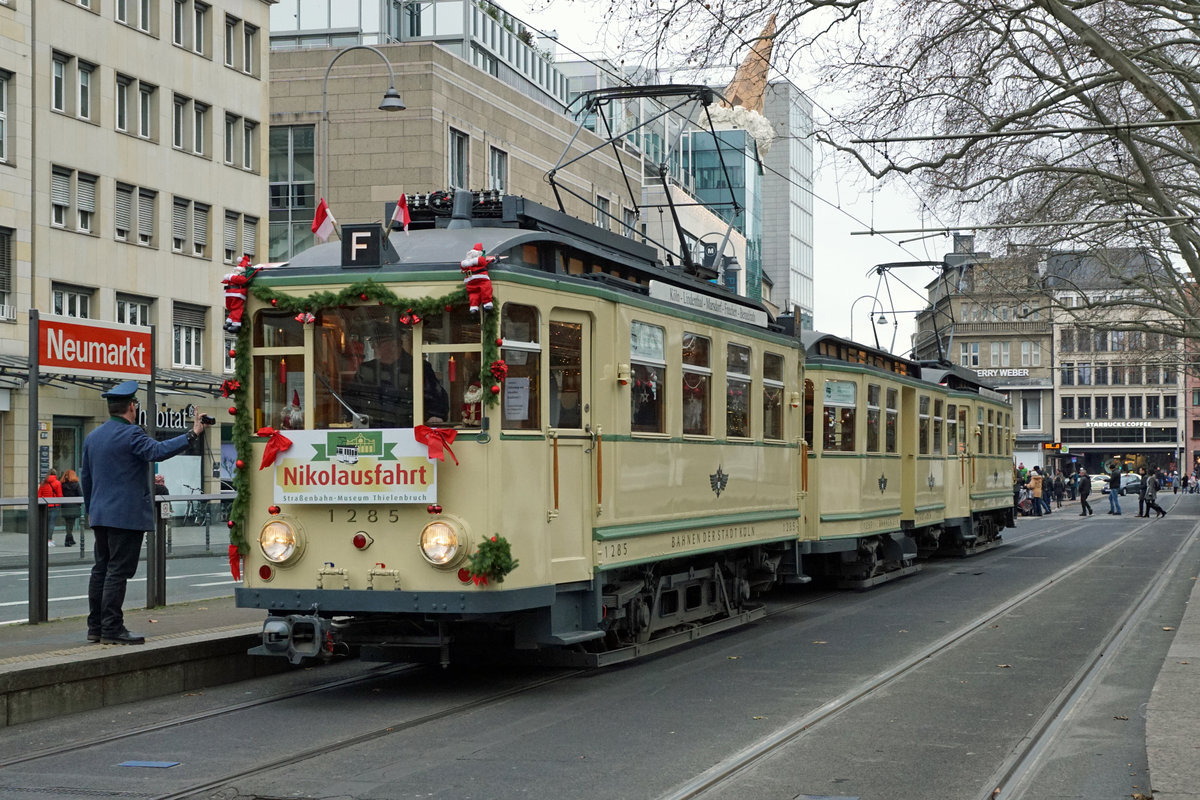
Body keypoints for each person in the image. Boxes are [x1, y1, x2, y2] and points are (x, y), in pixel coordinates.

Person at [80, 380, 210, 646]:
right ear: (131, 407)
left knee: (101, 570)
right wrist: (192, 433)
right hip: (126, 516)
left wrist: (91, 509)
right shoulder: (132, 434)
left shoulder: (93, 437)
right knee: (117, 571)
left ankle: (95, 627)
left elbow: (86, 478)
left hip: (100, 515)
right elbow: (158, 451)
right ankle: (112, 629)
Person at [344, 324, 448, 428]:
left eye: (377, 343)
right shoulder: (366, 369)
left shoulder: (419, 367)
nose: (373, 347)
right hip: (373, 431)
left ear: (394, 344)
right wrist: (349, 420)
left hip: (409, 431)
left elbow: (437, 397)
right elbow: (351, 399)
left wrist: (435, 416)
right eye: (372, 343)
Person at [37, 472, 63, 547]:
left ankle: (43, 539)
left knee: (45, 523)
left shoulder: (43, 483)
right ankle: (49, 539)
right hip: (55, 506)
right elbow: (59, 495)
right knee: (51, 523)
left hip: (45, 506)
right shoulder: (57, 483)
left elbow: (39, 495)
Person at [60, 468, 83, 548]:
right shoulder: (76, 484)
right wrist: (79, 504)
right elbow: (80, 494)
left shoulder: (62, 484)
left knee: (68, 523)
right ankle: (68, 540)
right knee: (71, 523)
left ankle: (71, 539)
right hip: (74, 506)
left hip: (65, 506)